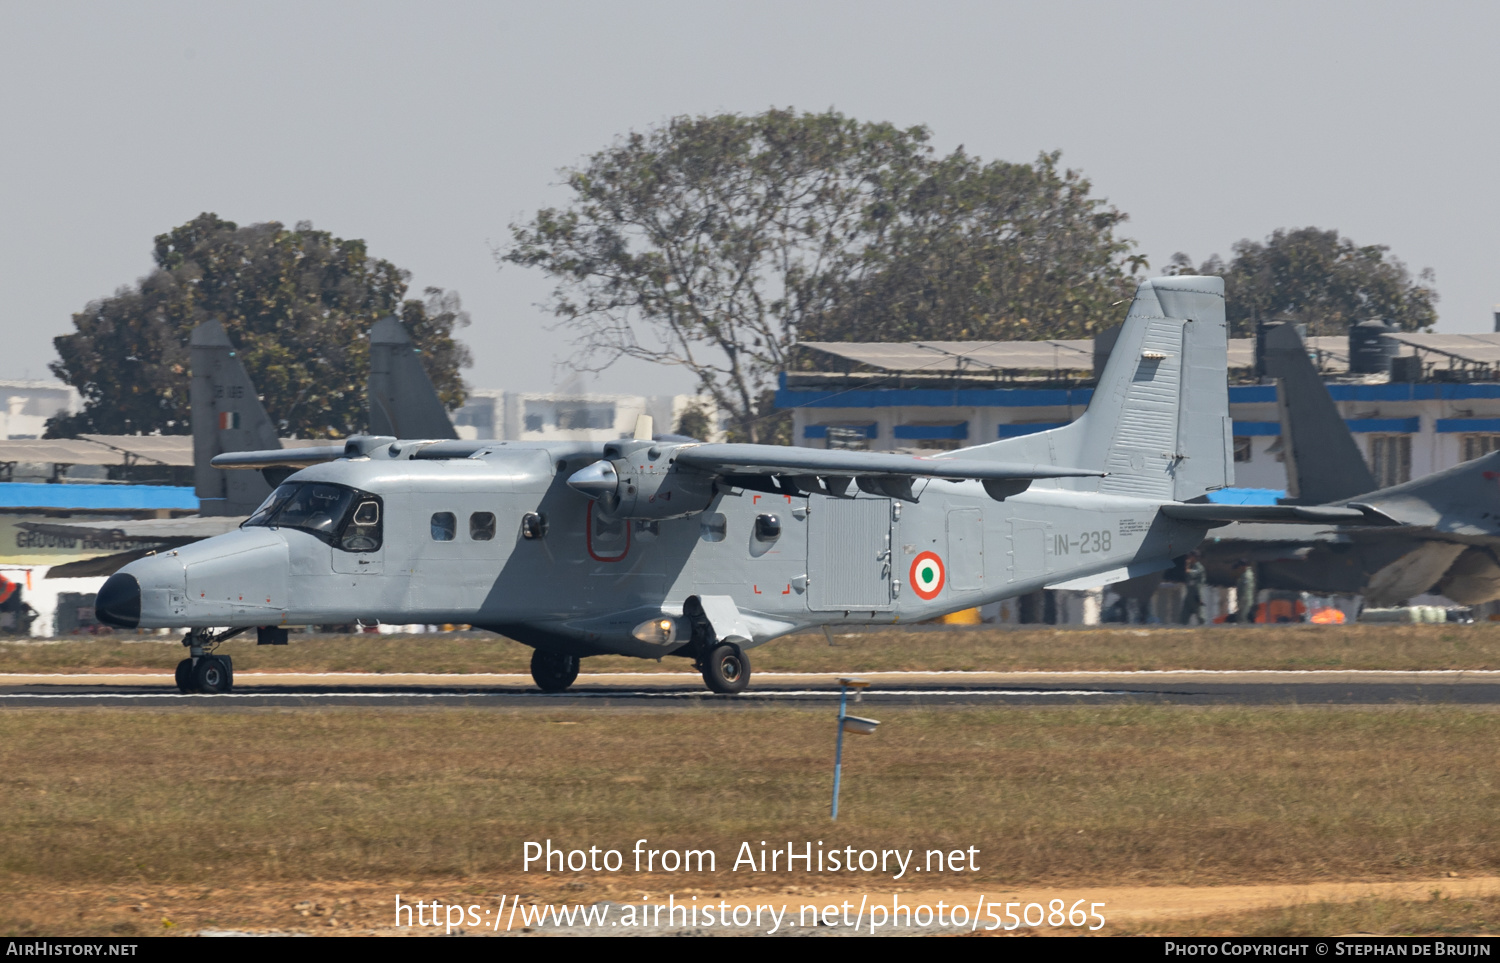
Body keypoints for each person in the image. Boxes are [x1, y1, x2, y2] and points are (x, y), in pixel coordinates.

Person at [1180, 552, 1207, 625]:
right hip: (1189, 596)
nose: (1188, 558)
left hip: (1196, 596)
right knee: (1183, 618)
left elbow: (1191, 573)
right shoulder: (1192, 567)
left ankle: (1205, 631)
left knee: (1201, 618)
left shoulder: (1199, 568)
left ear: (1194, 557)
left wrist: (1187, 566)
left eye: (1190, 556)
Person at [1232, 560, 1258, 624]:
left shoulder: (1246, 576)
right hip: (1244, 600)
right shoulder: (1244, 575)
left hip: (1245, 600)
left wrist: (1241, 602)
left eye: (1240, 567)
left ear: (1243, 566)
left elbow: (1245, 590)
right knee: (1241, 617)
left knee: (1242, 618)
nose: (1239, 569)